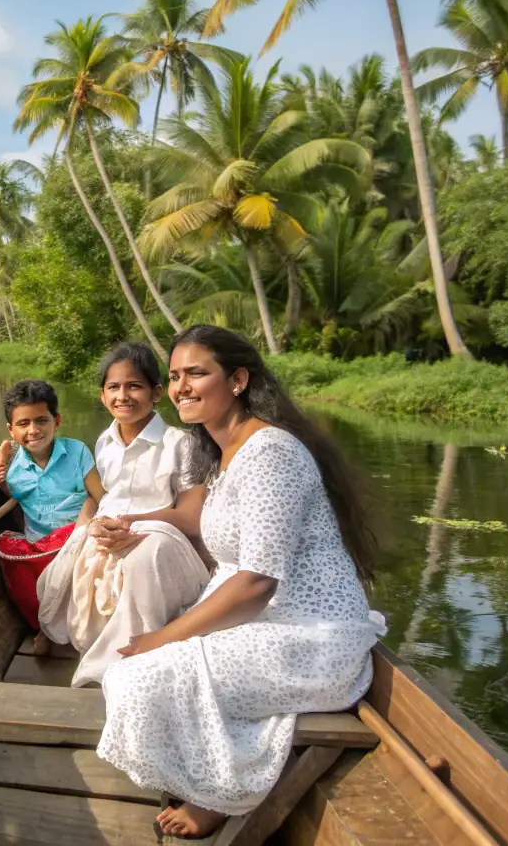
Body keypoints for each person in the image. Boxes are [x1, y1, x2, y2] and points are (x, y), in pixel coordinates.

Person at [96, 325, 385, 839]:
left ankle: (217, 792)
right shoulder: (221, 454)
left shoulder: (271, 453)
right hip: (267, 623)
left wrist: (164, 637)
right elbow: (230, 564)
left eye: (196, 373)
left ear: (237, 380)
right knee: (128, 670)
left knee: (140, 676)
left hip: (310, 639)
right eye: (175, 376)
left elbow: (255, 582)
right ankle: (212, 767)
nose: (182, 386)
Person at [35, 343, 211, 687]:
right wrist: (88, 527)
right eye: (113, 388)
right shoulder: (104, 442)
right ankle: (60, 635)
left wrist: (131, 523)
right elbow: (102, 497)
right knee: (64, 562)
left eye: (134, 386)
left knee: (140, 560)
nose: (123, 396)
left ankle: (124, 661)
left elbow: (190, 518)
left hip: (162, 539)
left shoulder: (182, 444)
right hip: (112, 532)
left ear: (157, 393)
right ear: (102, 396)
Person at [0, 379, 104, 656]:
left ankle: (61, 629)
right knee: (20, 581)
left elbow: (101, 496)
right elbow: (13, 498)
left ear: (57, 421)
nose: (33, 430)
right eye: (23, 424)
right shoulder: (14, 471)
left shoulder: (76, 452)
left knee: (83, 572)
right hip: (40, 547)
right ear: (11, 430)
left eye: (41, 420)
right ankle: (48, 625)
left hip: (80, 538)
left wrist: (85, 529)